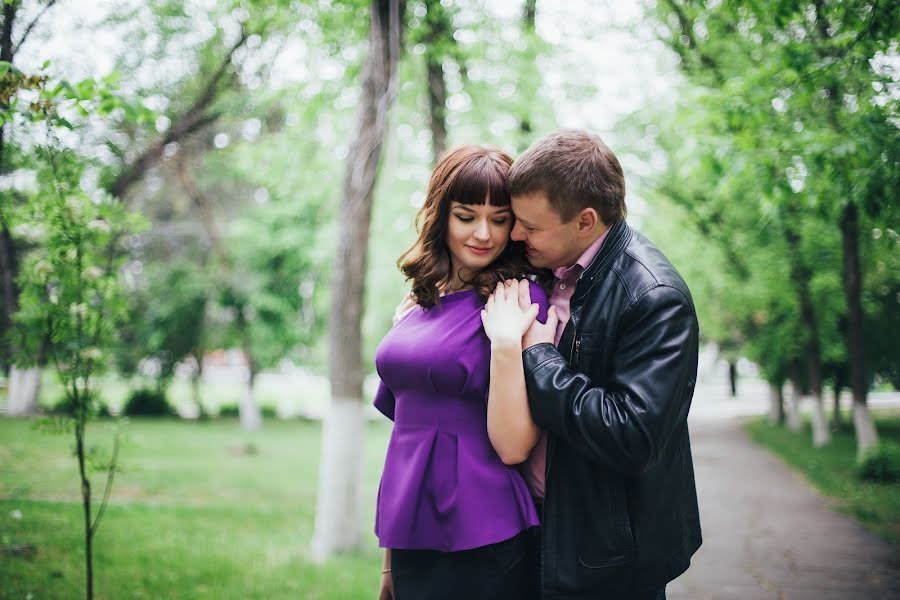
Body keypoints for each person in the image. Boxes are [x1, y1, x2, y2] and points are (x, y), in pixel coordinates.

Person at [482, 129, 702, 599]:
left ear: (585, 221)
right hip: (533, 532)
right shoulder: (549, 267)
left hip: (607, 562)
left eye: (531, 227)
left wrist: (539, 358)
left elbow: (632, 434)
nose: (516, 235)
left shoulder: (653, 296)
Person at [373, 145, 551, 600]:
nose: (483, 234)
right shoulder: (419, 301)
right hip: (411, 532)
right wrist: (389, 565)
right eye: (466, 215)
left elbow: (514, 448)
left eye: (499, 218)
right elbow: (407, 440)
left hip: (482, 532)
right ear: (440, 215)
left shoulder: (517, 299)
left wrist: (508, 344)